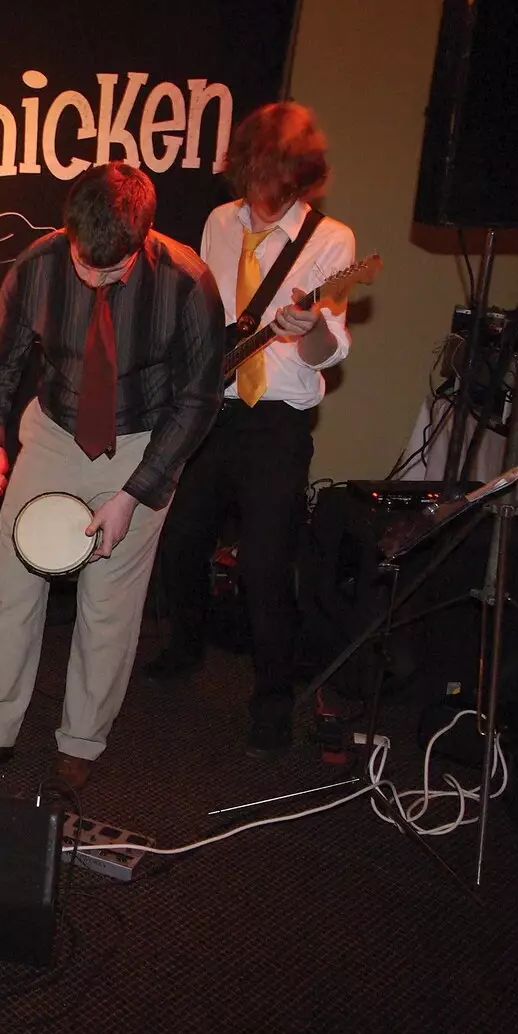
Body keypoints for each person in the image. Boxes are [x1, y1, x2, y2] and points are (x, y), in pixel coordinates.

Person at [0, 162, 224, 791]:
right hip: (58, 431)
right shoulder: (38, 264)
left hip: (144, 441)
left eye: (107, 270)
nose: (90, 275)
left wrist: (137, 493)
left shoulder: (188, 282)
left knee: (108, 605)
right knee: (13, 588)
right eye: (82, 261)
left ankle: (80, 744)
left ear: (142, 241)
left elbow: (197, 403)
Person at [145, 102, 355, 757]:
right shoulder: (216, 223)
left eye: (279, 179)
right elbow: (205, 316)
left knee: (266, 567)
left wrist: (311, 328)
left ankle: (272, 700)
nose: (265, 192)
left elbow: (329, 351)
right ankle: (185, 646)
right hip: (213, 408)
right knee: (179, 542)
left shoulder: (332, 242)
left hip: (277, 424)